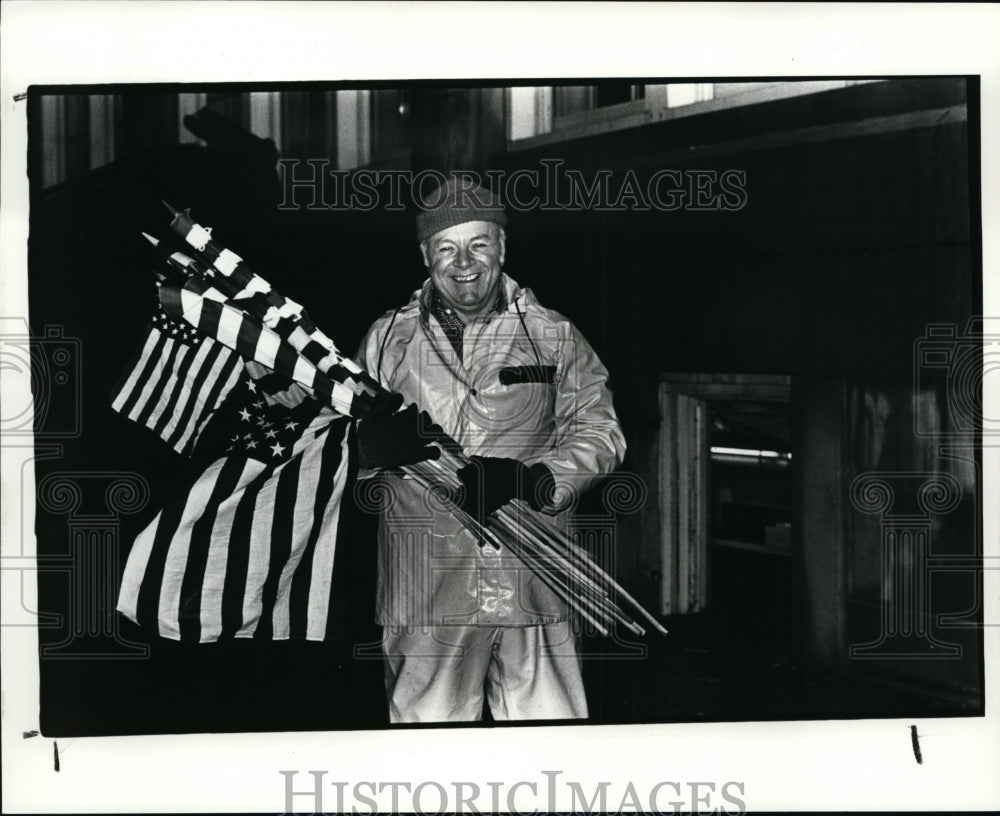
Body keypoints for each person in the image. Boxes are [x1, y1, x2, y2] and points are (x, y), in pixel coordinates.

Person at [354, 176, 626, 723]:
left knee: (551, 745)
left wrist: (534, 480)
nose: (464, 263)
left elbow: (601, 431)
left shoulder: (554, 335)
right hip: (425, 587)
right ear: (425, 254)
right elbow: (333, 449)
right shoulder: (386, 341)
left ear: (502, 246)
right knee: (427, 753)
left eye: (479, 243)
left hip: (536, 573)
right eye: (447, 247)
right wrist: (362, 448)